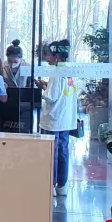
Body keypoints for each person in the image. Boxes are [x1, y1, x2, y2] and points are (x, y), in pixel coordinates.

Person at [38, 39, 78, 196]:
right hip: (66, 119)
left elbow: (51, 97)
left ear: (56, 57)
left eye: (48, 54)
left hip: (54, 120)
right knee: (63, 151)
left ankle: (51, 183)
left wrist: (43, 88)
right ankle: (61, 185)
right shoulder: (70, 71)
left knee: (52, 152)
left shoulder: (56, 73)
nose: (46, 58)